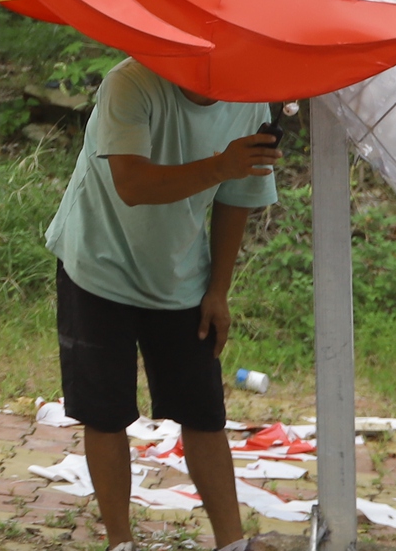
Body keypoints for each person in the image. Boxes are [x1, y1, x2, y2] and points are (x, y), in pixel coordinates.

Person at [46, 57, 281, 551]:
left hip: (180, 273)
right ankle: (121, 542)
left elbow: (237, 195)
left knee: (203, 412)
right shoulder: (129, 83)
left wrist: (218, 289)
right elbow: (133, 185)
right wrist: (223, 164)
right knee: (106, 412)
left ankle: (231, 542)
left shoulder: (250, 98)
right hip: (98, 263)